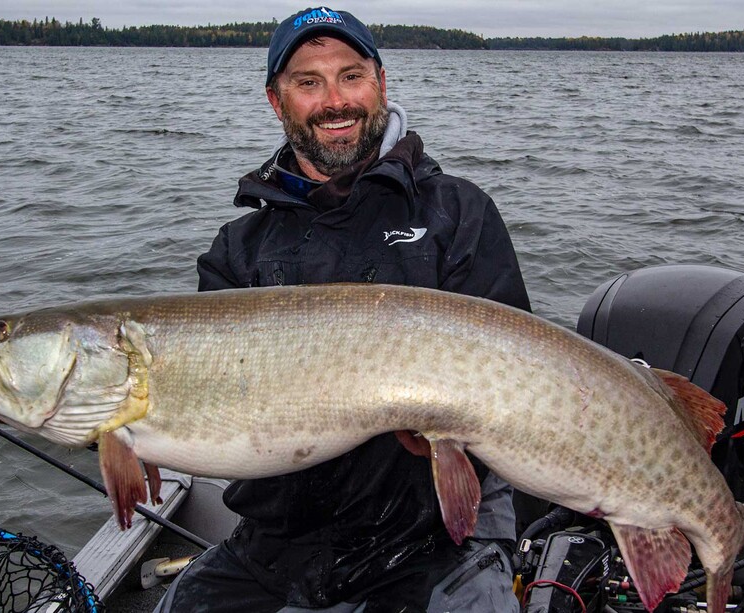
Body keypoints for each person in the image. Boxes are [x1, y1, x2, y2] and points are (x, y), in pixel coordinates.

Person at [156, 7, 530, 612]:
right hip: (278, 548)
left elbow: (516, 388)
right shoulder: (236, 250)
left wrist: (450, 425)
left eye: (351, 76)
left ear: (380, 84)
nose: (335, 101)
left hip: (435, 540)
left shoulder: (456, 214)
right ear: (276, 102)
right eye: (309, 83)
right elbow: (214, 404)